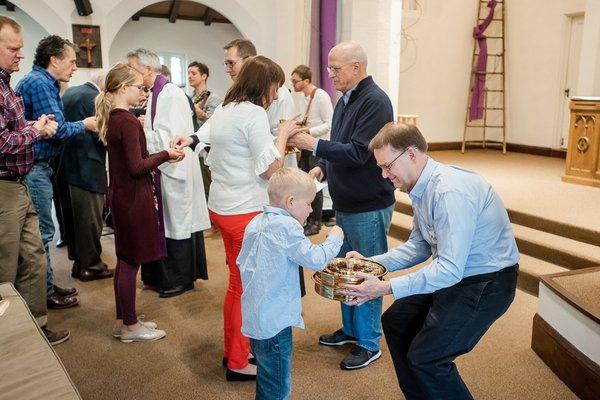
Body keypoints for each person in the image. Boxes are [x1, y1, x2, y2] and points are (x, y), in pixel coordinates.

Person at [339, 122, 520, 399]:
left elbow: (448, 270)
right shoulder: (422, 186)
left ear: (411, 154)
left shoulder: (449, 191)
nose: (384, 175)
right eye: (381, 168)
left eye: (388, 166)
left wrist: (384, 287)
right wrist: (371, 262)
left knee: (428, 358)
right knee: (396, 322)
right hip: (459, 275)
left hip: (488, 284)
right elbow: (419, 247)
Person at [171, 56, 301, 381]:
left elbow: (206, 137)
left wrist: (189, 138)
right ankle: (240, 361)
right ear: (265, 84)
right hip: (245, 212)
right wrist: (283, 134)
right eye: (276, 86)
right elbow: (269, 169)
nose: (276, 93)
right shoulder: (254, 113)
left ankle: (234, 352)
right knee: (249, 289)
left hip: (222, 207)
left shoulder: (226, 109)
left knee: (236, 286)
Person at [288, 41, 395, 370]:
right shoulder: (348, 97)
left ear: (356, 68)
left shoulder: (375, 101)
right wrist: (321, 161)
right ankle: (351, 330)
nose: (330, 74)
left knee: (365, 273)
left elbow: (358, 152)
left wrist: (312, 143)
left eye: (336, 68)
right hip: (348, 202)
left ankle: (369, 340)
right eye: (330, 67)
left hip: (367, 203)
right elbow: (339, 139)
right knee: (344, 271)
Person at [238, 167, 344, 399]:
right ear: (291, 201)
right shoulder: (287, 227)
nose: (310, 209)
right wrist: (335, 239)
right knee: (278, 386)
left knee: (267, 377)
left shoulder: (257, 221)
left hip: (257, 316)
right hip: (275, 321)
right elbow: (316, 260)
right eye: (308, 204)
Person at [96, 63, 184, 342]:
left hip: (122, 194)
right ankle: (130, 327)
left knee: (125, 259)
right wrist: (166, 154)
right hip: (133, 196)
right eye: (140, 87)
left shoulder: (115, 117)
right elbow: (137, 166)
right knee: (131, 261)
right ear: (124, 88)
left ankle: (128, 318)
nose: (144, 92)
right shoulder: (128, 121)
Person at [0, 15, 70, 345]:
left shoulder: (7, 85)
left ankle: (35, 327)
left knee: (33, 256)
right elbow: (2, 141)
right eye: (13, 48)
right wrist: (36, 129)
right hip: (5, 187)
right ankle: (10, 337)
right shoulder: (29, 83)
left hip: (21, 180)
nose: (20, 54)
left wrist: (31, 125)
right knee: (6, 266)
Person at [16, 35, 98, 309]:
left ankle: (47, 286)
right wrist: (85, 125)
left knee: (42, 232)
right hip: (35, 167)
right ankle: (44, 294)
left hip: (40, 166)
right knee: (42, 233)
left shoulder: (42, 82)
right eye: (72, 61)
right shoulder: (40, 84)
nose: (75, 67)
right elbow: (57, 130)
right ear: (55, 60)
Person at [127, 48, 210, 298]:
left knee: (177, 224)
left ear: (148, 70)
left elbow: (169, 138)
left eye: (132, 69)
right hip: (164, 169)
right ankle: (162, 276)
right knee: (168, 224)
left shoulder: (170, 94)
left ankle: (180, 278)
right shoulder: (156, 93)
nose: (129, 74)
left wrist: (137, 131)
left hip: (176, 170)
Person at [60, 70, 114, 282]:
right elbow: (103, 134)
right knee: (91, 220)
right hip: (87, 165)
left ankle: (79, 263)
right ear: (105, 88)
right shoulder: (94, 98)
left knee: (74, 220)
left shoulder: (73, 91)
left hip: (67, 163)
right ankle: (92, 266)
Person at [290, 65, 333, 236]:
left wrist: (308, 132)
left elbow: (329, 123)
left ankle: (316, 222)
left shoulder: (321, 96)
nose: (293, 84)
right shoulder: (303, 97)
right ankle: (308, 219)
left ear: (306, 80)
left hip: (318, 145)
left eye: (295, 81)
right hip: (306, 146)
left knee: (316, 184)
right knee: (306, 184)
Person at [187, 61, 222, 202]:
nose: (190, 76)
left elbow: (215, 125)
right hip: (192, 146)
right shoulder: (189, 98)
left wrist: (199, 112)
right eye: (188, 73)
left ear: (204, 76)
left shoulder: (213, 98)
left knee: (208, 187)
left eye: (193, 73)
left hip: (206, 149)